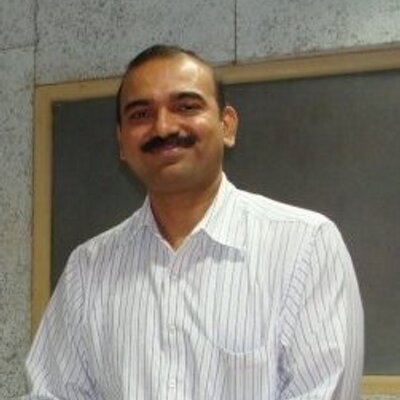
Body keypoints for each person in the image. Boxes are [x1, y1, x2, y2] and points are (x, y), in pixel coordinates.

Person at [25, 44, 364, 399]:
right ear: (122, 143)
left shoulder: (305, 246)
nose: (163, 127)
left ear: (227, 125)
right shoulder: (88, 268)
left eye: (186, 106)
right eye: (140, 114)